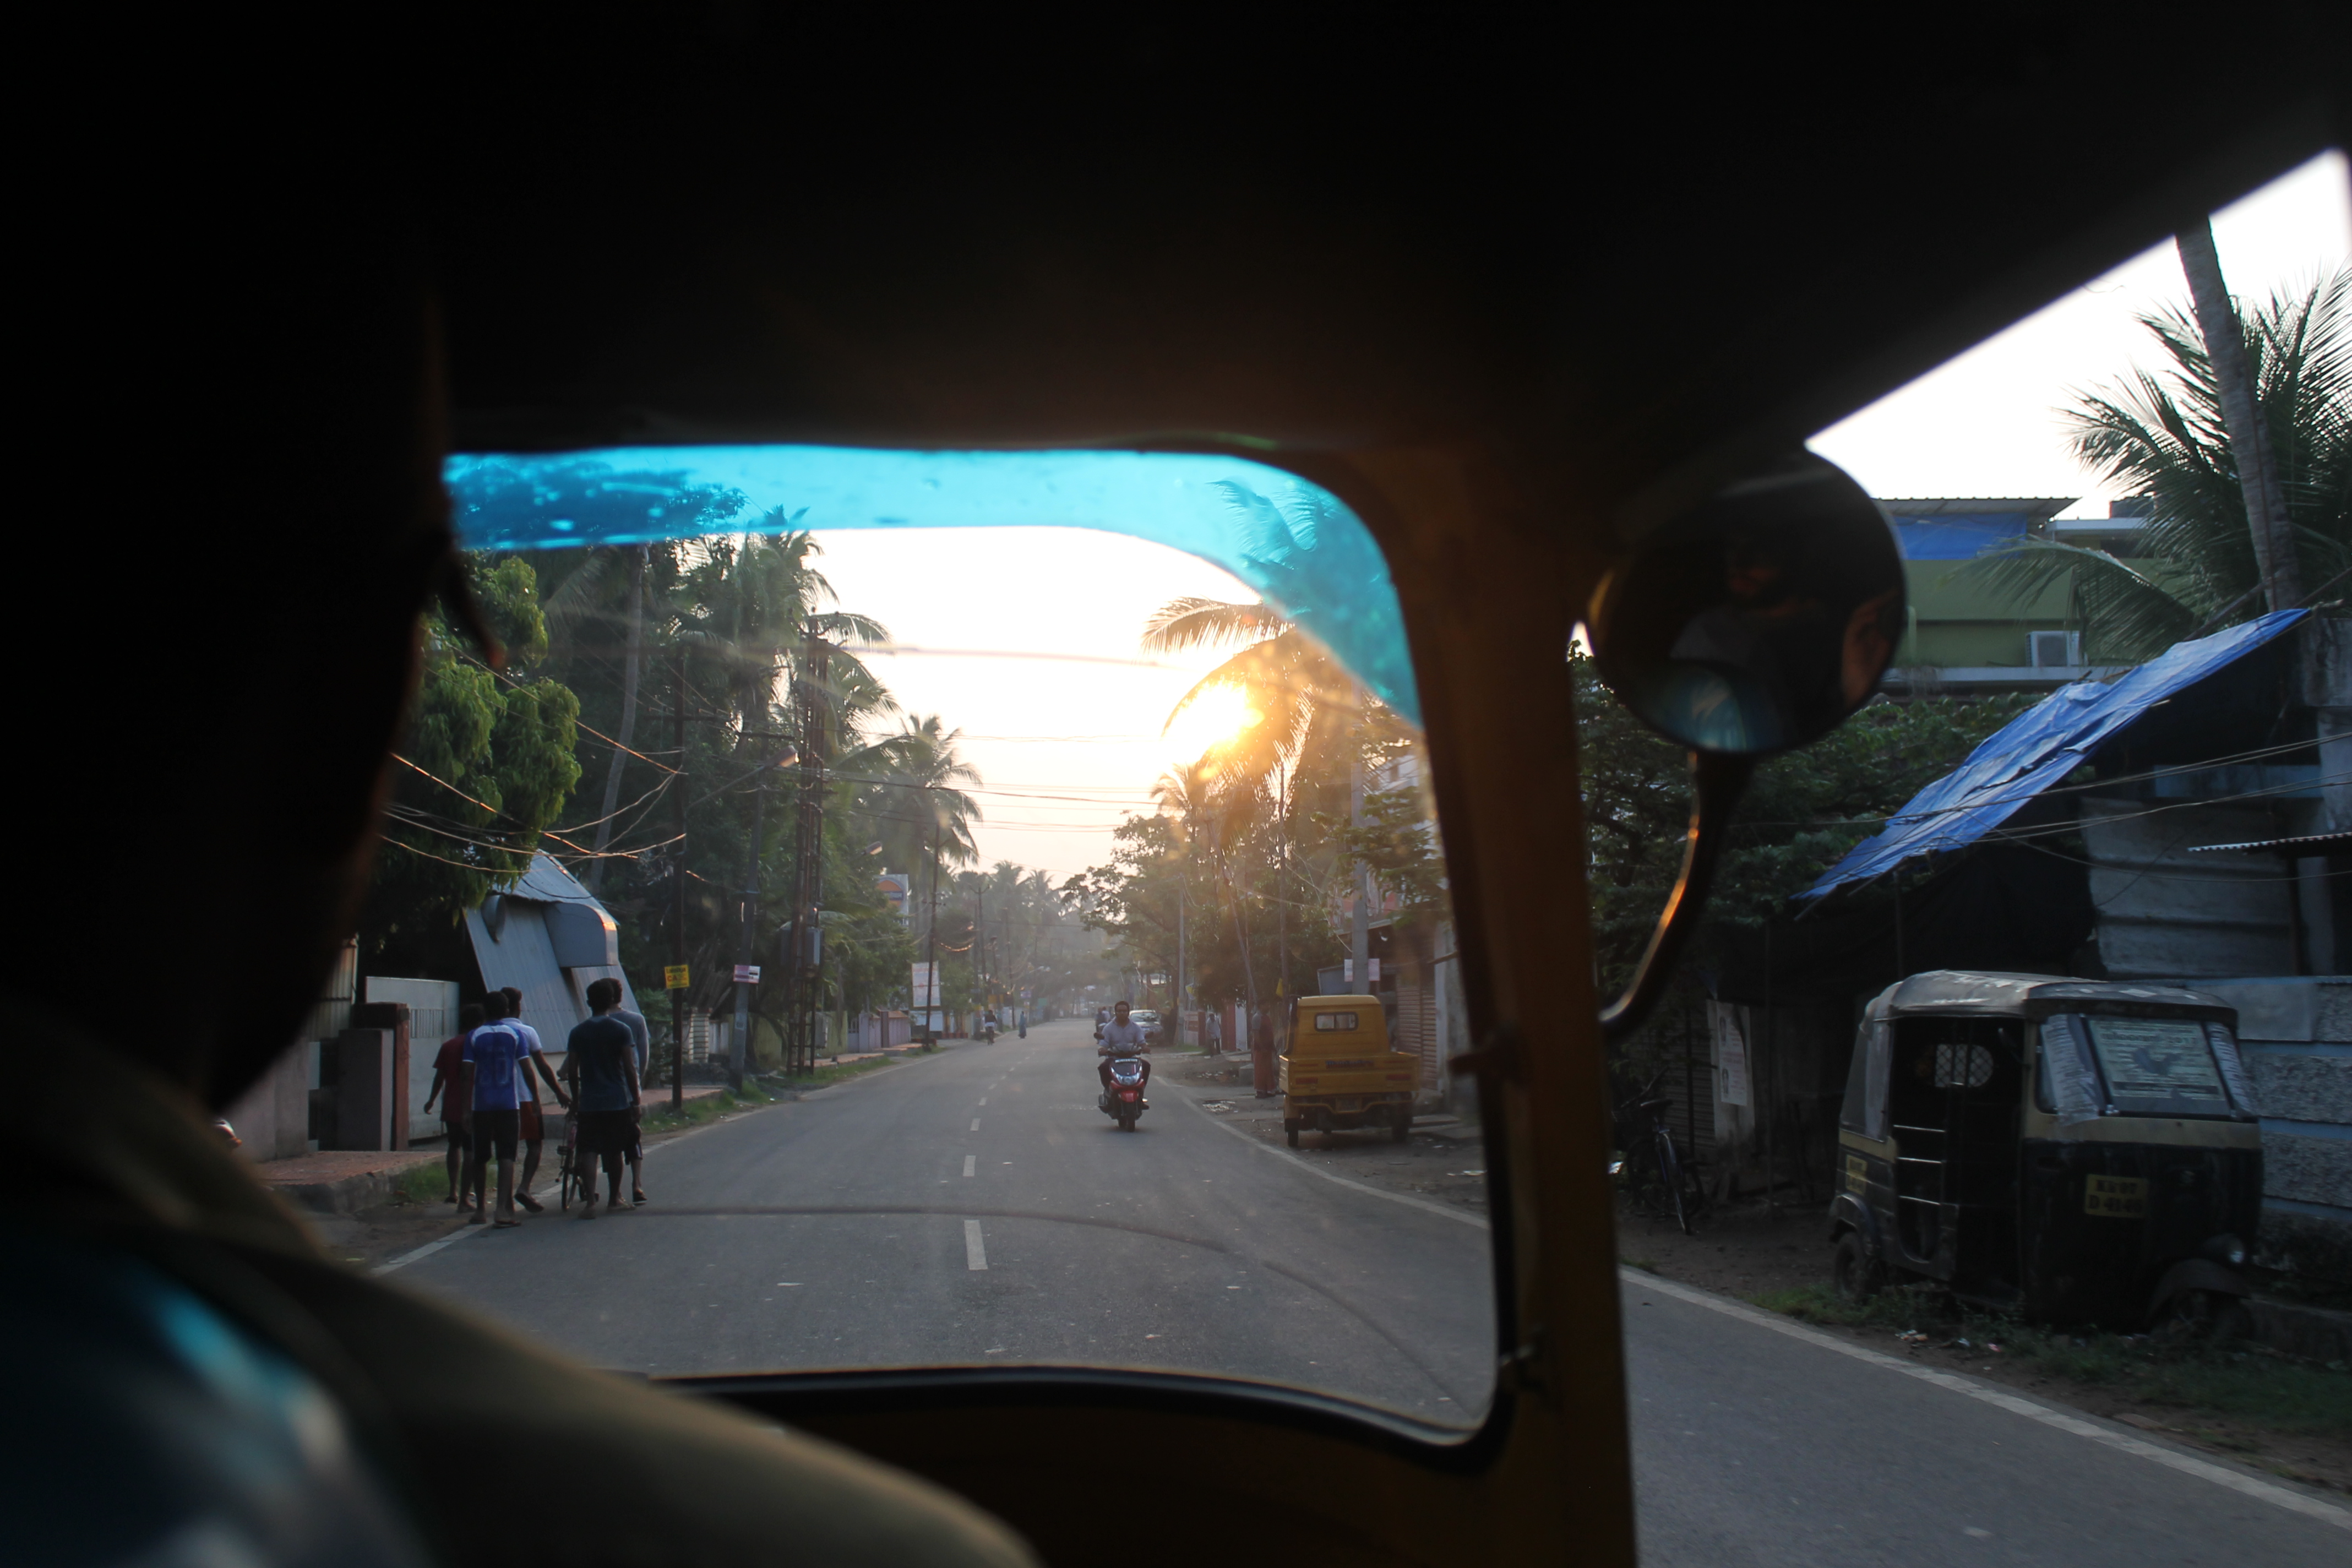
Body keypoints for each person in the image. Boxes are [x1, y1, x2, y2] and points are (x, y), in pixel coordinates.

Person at [563, 979, 642, 1218]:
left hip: (589, 1102)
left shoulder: (578, 1032)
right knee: (614, 1151)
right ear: (612, 1001)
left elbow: (573, 1072)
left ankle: (589, 1204)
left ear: (588, 1003)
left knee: (589, 1150)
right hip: (617, 1101)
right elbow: (629, 1068)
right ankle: (613, 1200)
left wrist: (576, 1100)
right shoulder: (621, 1030)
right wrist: (636, 1101)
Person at [498, 986, 570, 1213]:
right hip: (525, 1097)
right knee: (535, 1144)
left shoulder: (486, 1031)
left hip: (496, 1100)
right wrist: (558, 1092)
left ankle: (501, 1200)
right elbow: (540, 1067)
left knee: (505, 1151)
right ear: (516, 1007)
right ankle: (524, 1187)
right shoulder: (526, 1032)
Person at [588, 977, 650, 1204]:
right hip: (625, 1089)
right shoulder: (634, 1021)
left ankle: (593, 1190)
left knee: (594, 1142)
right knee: (632, 1137)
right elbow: (641, 1059)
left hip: (595, 1090)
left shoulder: (590, 1024)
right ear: (620, 996)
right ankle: (636, 1185)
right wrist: (637, 1087)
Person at [421, 1002, 484, 1208]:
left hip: (451, 1104)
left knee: (454, 1146)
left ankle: (453, 1191)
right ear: (480, 1022)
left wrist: (431, 1100)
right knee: (470, 1150)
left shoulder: (448, 1046)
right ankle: (465, 1198)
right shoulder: (479, 1044)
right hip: (473, 1104)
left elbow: (439, 1076)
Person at [1096, 1001, 1151, 1099]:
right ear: (1115, 1012)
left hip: (1132, 1059)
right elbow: (1104, 1044)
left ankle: (1141, 1092)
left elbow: (1141, 1042)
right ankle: (1109, 1091)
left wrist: (1145, 1047)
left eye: (1124, 1011)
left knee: (1146, 1066)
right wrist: (1102, 1050)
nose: (1122, 1013)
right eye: (1120, 1011)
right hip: (1114, 1059)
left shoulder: (1135, 1027)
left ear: (1128, 1012)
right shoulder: (1108, 1028)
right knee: (1103, 1067)